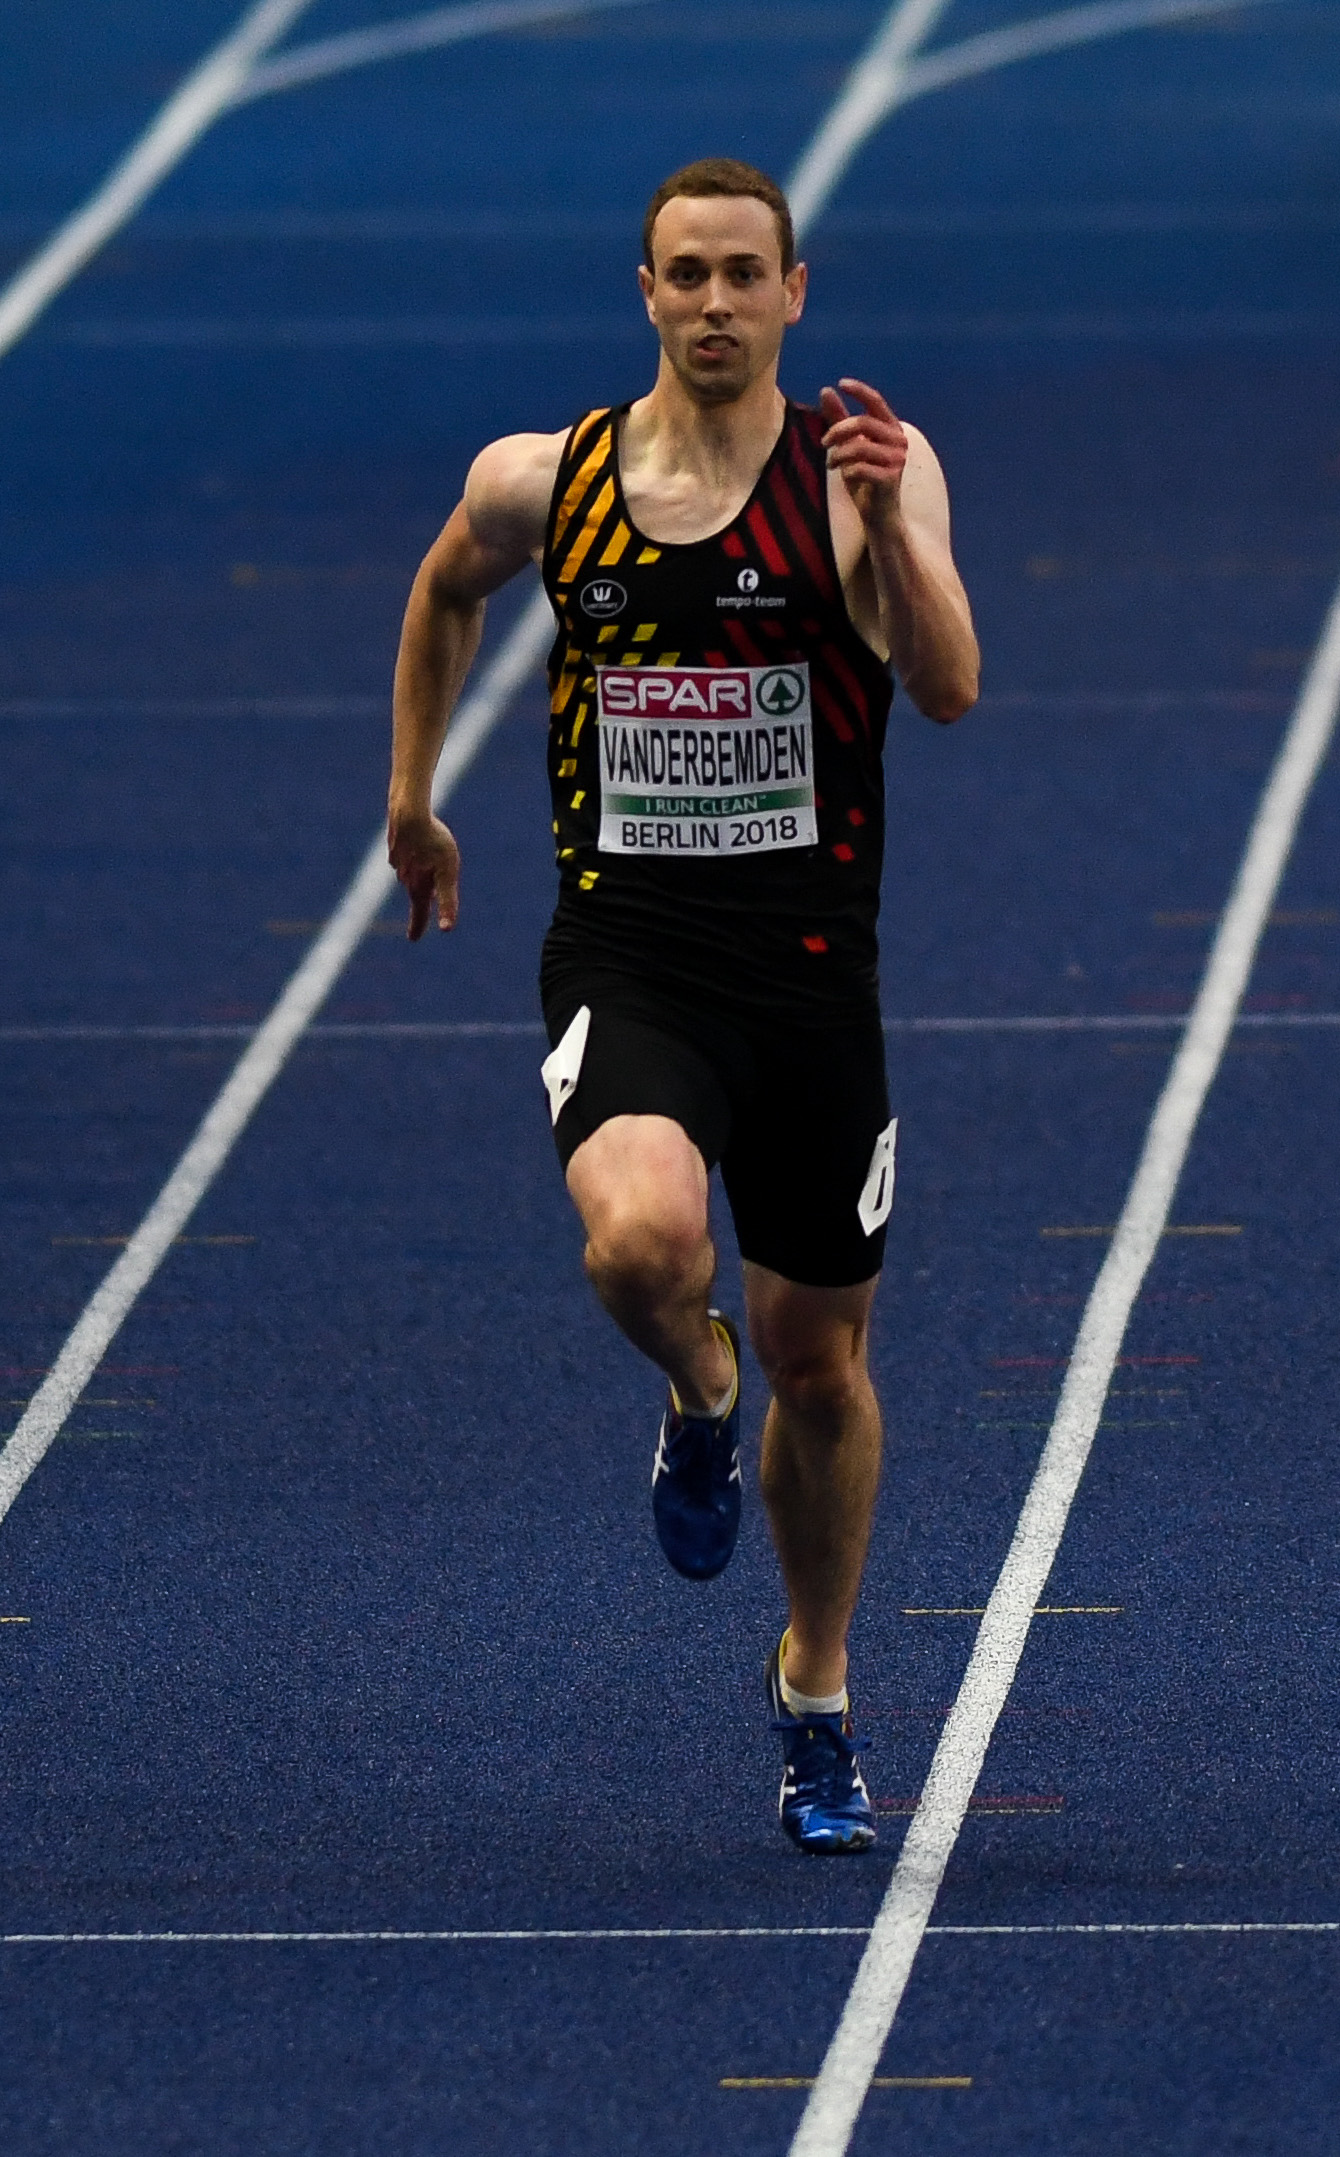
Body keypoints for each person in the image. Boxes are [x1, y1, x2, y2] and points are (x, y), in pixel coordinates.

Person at [382, 158, 979, 1854]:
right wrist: (413, 796)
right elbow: (442, 589)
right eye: (687, 274)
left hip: (811, 982)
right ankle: (697, 1392)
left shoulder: (866, 471)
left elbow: (949, 686)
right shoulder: (548, 479)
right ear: (644, 292)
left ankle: (816, 1691)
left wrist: (891, 530)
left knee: (826, 1364)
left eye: (743, 274)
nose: (716, 303)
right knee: (645, 1243)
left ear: (796, 293)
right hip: (629, 956)